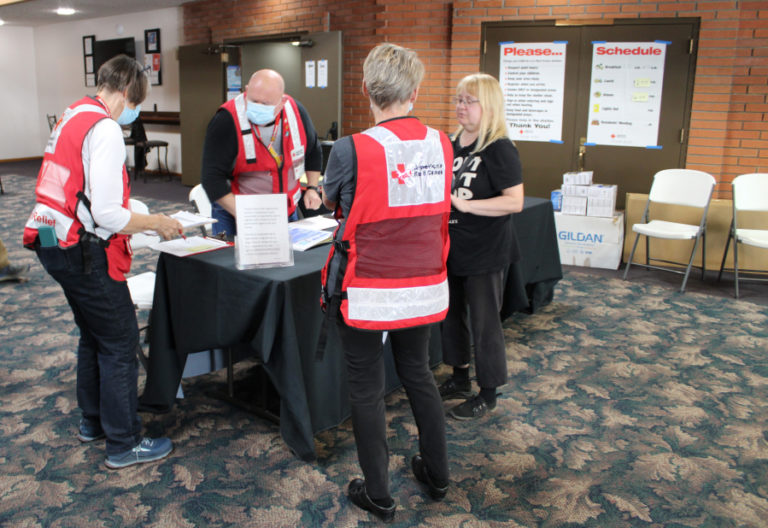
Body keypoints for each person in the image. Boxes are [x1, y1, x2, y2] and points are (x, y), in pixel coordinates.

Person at [22, 54, 182, 469]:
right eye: (138, 102)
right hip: (81, 248)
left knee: (93, 335)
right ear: (128, 93)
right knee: (119, 341)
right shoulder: (106, 128)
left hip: (49, 238)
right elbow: (109, 214)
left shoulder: (74, 113)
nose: (136, 112)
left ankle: (93, 422)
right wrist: (157, 222)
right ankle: (123, 443)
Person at [321, 43, 453, 523]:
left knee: (365, 386)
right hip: (422, 283)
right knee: (418, 373)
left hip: (369, 288)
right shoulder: (442, 143)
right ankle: (437, 475)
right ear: (415, 92)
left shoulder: (349, 148)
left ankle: (379, 493)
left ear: (365, 90)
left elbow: (333, 203)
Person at [439, 73, 524, 420]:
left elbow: (514, 202)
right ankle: (459, 377)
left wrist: (468, 205)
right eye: (458, 99)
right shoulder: (453, 143)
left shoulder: (499, 147)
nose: (460, 107)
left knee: (485, 323)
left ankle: (487, 392)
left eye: (468, 101)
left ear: (487, 106)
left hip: (485, 250)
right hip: (452, 247)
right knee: (451, 316)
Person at [201, 69, 323, 236]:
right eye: (253, 101)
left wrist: (312, 187)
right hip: (237, 212)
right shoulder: (226, 120)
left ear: (282, 101)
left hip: (285, 209)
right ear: (246, 90)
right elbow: (211, 178)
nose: (258, 107)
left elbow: (313, 150)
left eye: (265, 104)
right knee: (232, 261)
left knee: (289, 259)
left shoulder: (296, 112)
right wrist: (247, 216)